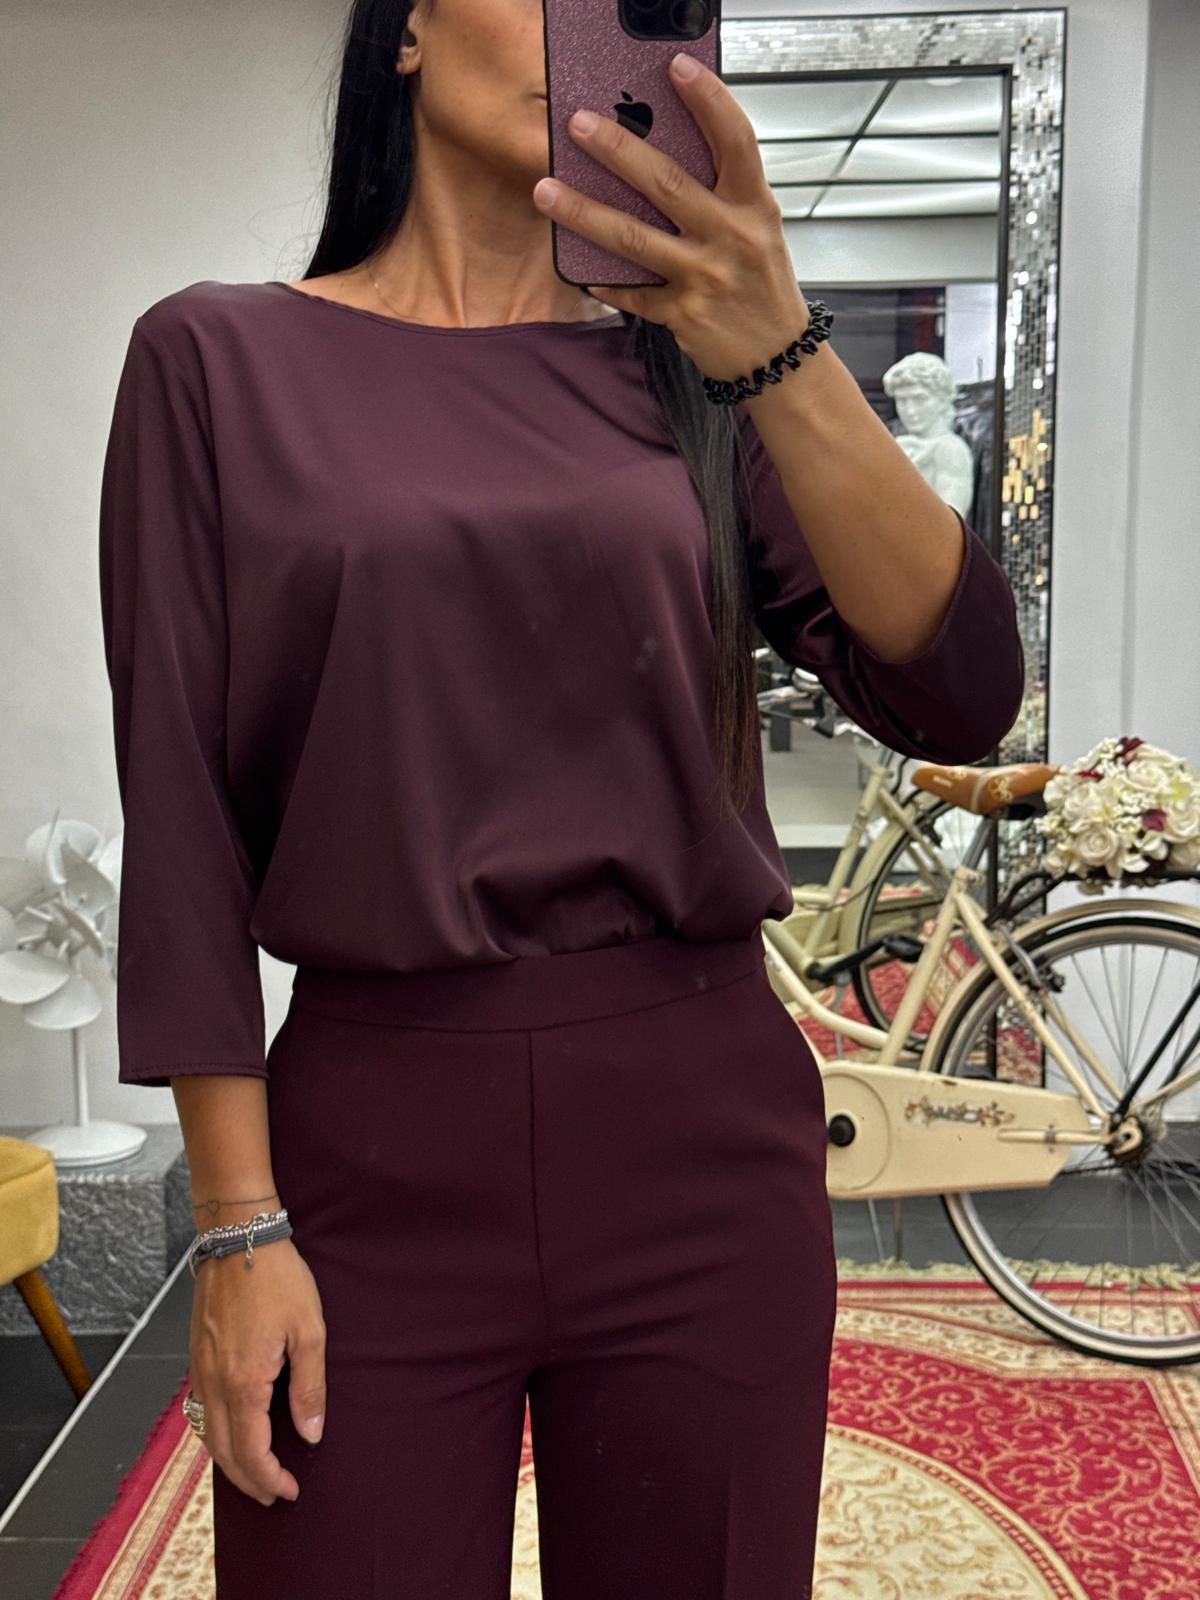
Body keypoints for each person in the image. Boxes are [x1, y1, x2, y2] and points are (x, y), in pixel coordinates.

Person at [97, 2, 1025, 1595]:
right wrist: (238, 1226)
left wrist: (777, 345)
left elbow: (957, 686)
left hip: (698, 1134)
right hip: (368, 1146)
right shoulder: (216, 361)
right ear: (402, 29)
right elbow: (178, 817)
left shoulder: (699, 376)